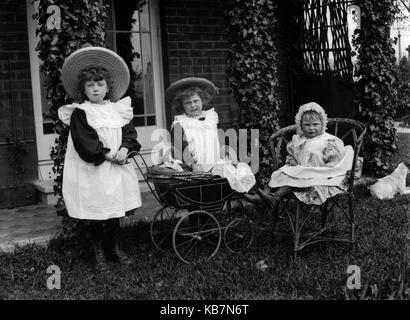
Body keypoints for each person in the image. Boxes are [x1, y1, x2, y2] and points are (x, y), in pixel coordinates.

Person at [58, 46, 142, 272]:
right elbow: (84, 141)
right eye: (90, 85)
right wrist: (107, 155)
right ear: (83, 90)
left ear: (108, 87)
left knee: (115, 207)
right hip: (94, 167)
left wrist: (125, 148)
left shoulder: (119, 110)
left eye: (100, 84)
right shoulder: (80, 112)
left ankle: (112, 247)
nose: (95, 89)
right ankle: (96, 251)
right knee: (97, 209)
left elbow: (130, 134)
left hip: (117, 166)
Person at [244, 102, 354, 209]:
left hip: (320, 174)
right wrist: (292, 161)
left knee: (294, 179)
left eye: (315, 124)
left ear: (322, 124)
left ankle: (274, 197)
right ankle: (267, 196)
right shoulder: (299, 140)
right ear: (300, 125)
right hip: (303, 171)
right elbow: (293, 154)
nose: (311, 128)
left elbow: (334, 160)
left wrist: (329, 169)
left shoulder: (328, 140)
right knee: (282, 173)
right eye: (307, 125)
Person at [163, 77, 255, 193]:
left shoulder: (211, 118)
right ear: (182, 106)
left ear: (202, 101)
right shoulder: (180, 123)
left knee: (236, 172)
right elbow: (180, 148)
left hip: (215, 162)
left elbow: (221, 139)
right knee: (203, 190)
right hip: (194, 169)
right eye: (188, 103)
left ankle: (244, 192)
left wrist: (226, 153)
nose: (193, 105)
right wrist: (192, 164)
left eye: (196, 101)